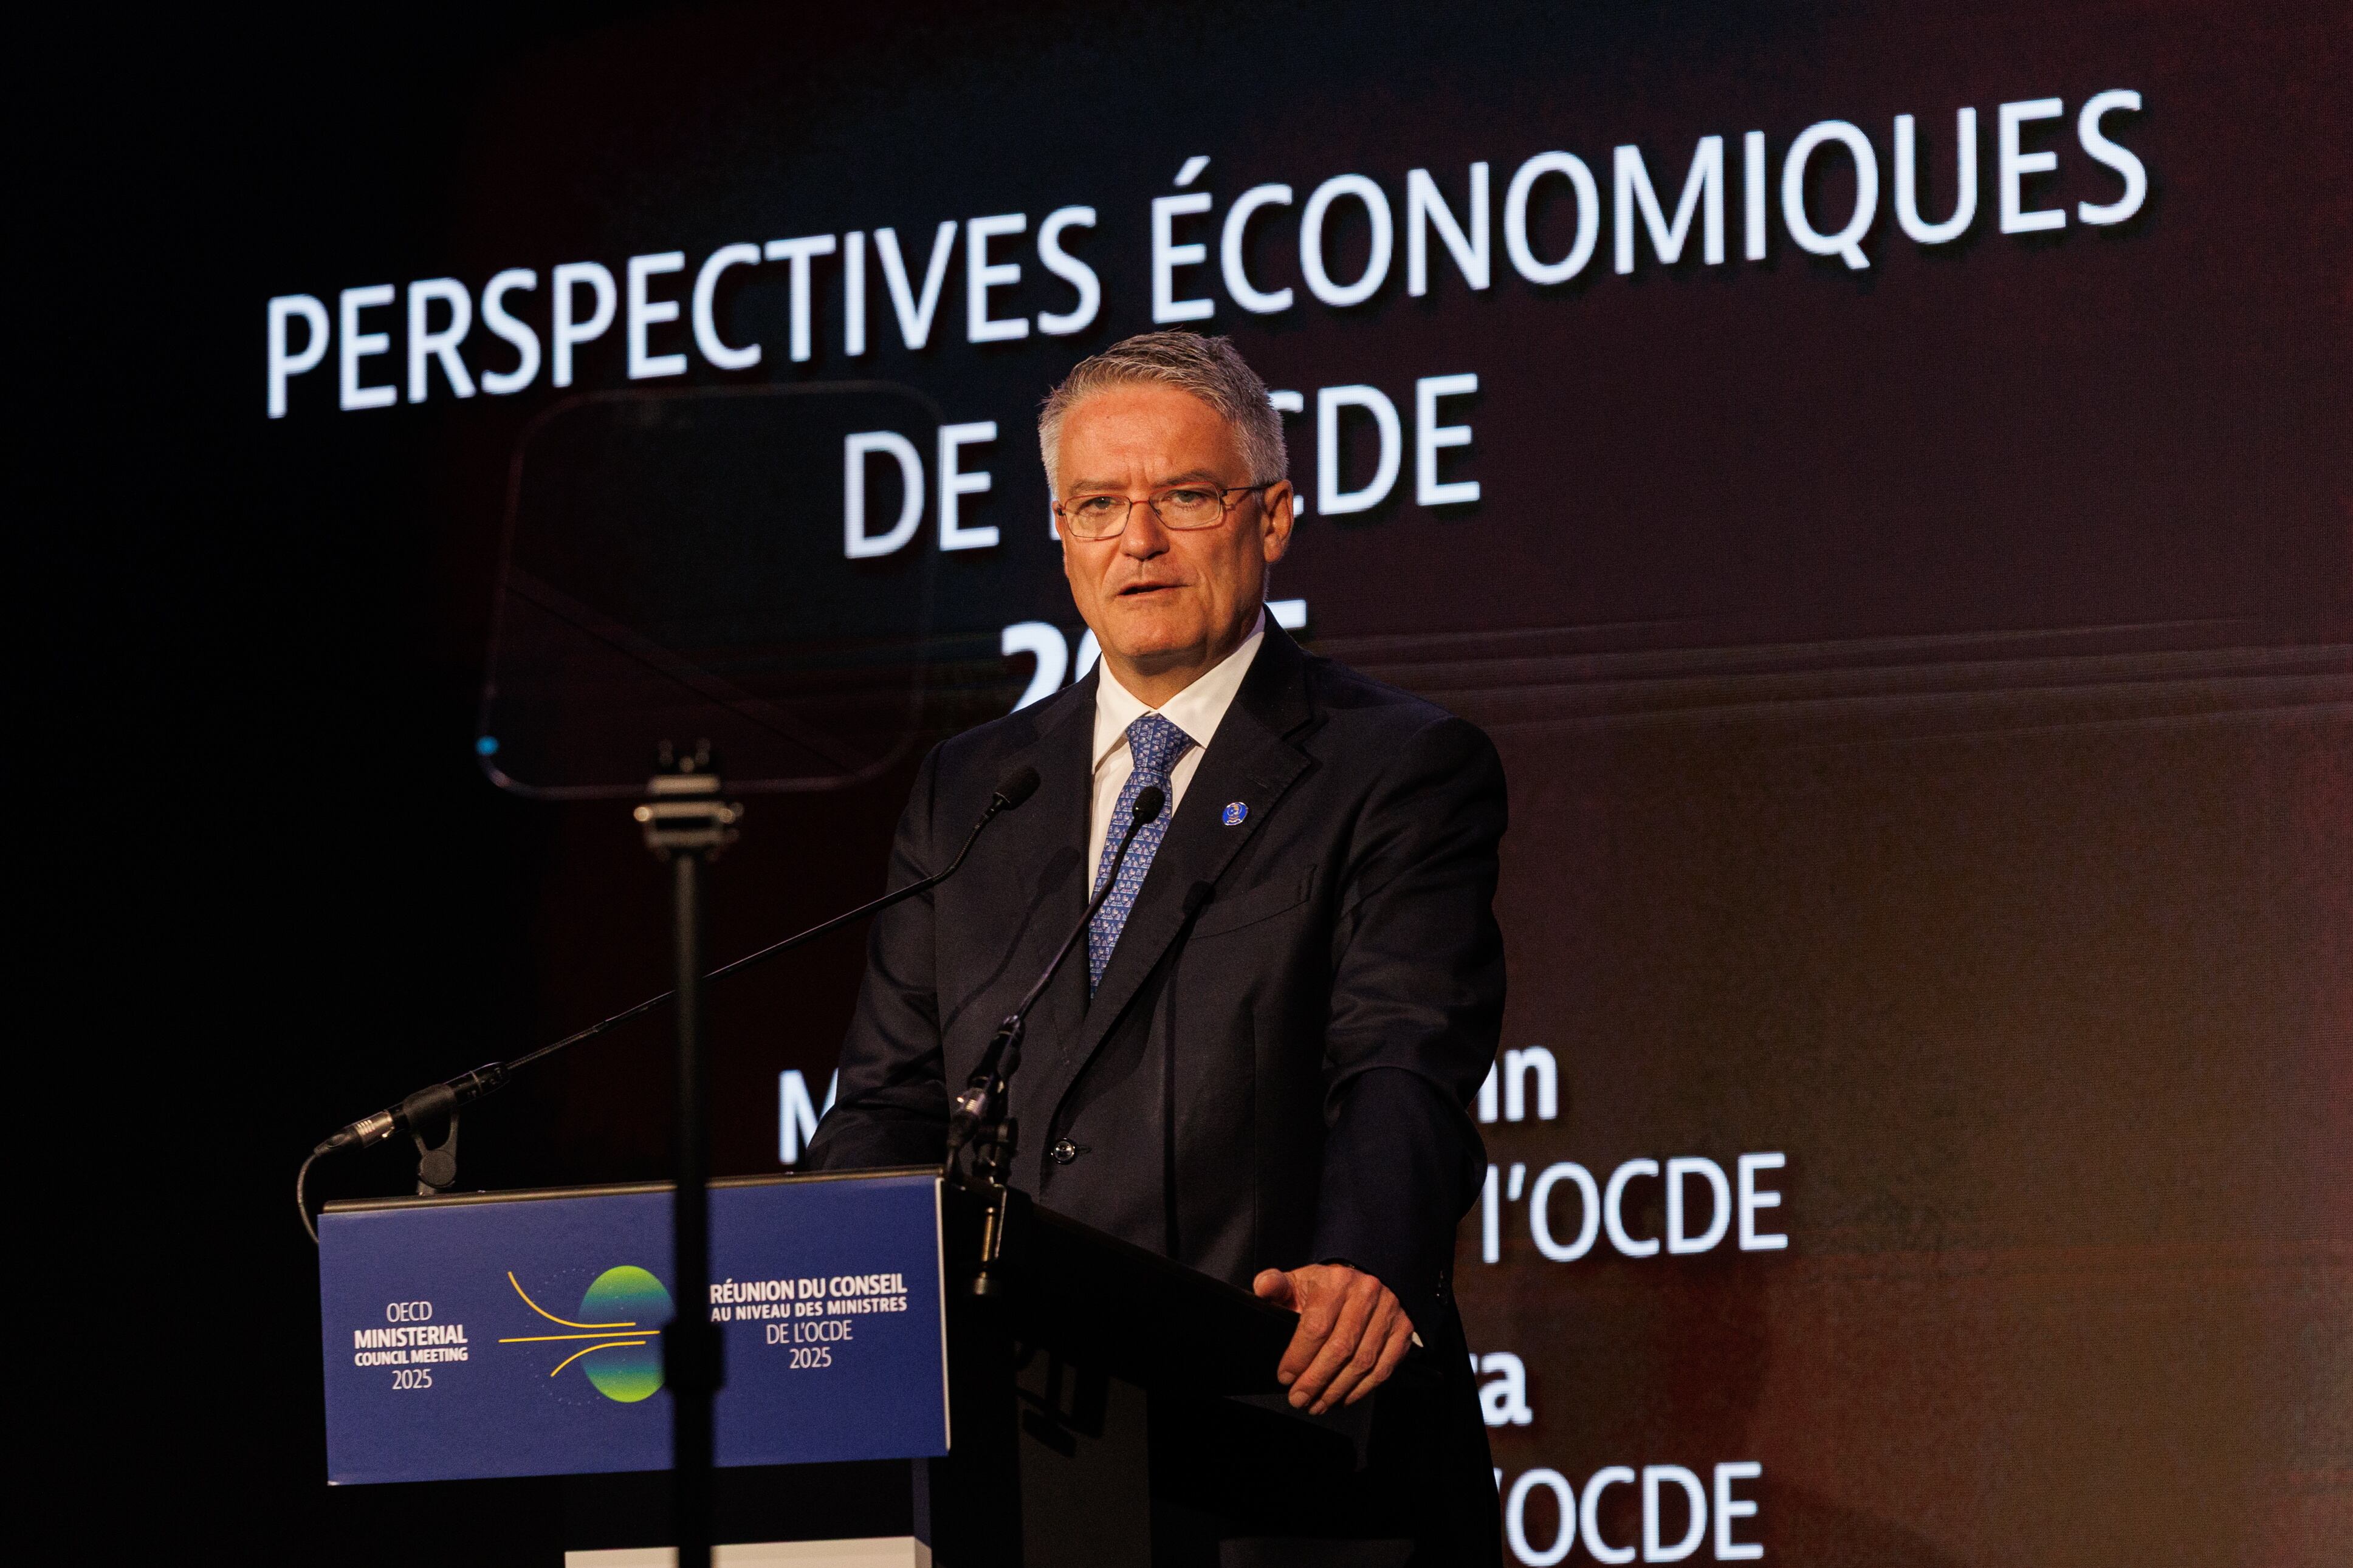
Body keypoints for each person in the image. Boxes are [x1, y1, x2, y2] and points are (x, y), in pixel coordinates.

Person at [805, 330, 1506, 1558]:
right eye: (1097, 504)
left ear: (1273, 517)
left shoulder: (1391, 766)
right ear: (1059, 534)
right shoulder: (975, 789)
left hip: (1281, 1442)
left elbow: (1404, 1052)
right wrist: (806, 1304)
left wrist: (1363, 1257)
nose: (1138, 540)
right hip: (1018, 1466)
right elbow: (887, 1103)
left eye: (1184, 496)